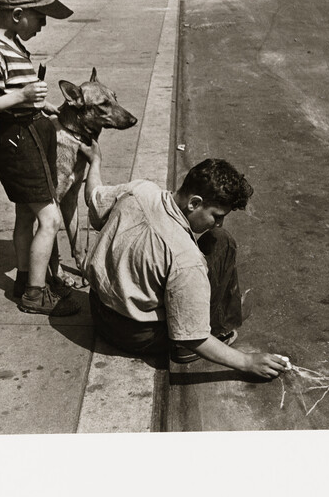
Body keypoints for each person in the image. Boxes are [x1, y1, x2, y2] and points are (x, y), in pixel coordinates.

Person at [79, 144, 290, 379]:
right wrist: (247, 362)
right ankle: (220, 328)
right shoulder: (186, 258)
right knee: (222, 241)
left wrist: (95, 161)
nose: (218, 223)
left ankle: (224, 315)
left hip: (99, 312)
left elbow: (93, 197)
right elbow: (193, 337)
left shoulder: (139, 189)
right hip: (138, 335)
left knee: (210, 244)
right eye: (216, 216)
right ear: (194, 203)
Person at [0, 0, 81, 316]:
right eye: (40, 16)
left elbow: (10, 95)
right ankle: (35, 294)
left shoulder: (13, 46)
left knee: (25, 214)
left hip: (29, 132)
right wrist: (21, 95)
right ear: (18, 15)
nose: (43, 25)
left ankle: (24, 278)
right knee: (48, 218)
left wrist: (36, 103)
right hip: (21, 140)